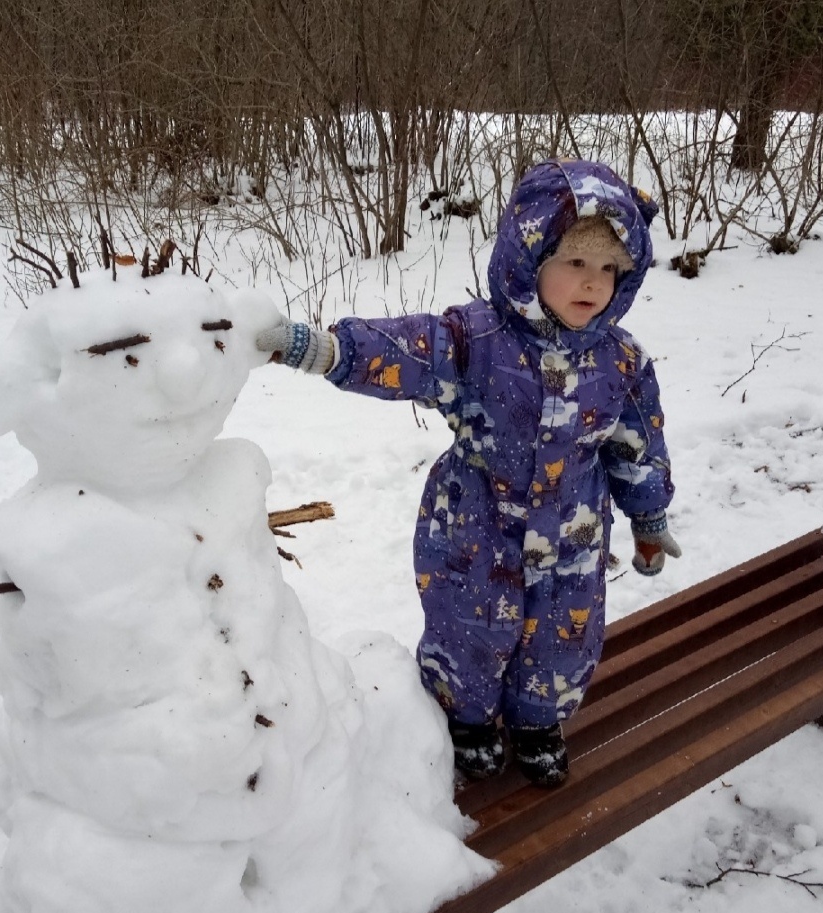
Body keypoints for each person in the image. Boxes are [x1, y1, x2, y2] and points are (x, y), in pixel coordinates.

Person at [256, 158, 680, 787]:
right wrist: (326, 351)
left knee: (563, 636)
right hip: (477, 527)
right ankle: (468, 720)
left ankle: (539, 722)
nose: (593, 283)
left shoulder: (621, 362)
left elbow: (637, 444)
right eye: (574, 263)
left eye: (609, 269)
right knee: (470, 630)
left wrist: (648, 517)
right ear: (530, 259)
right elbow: (406, 350)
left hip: (574, 538)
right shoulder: (477, 339)